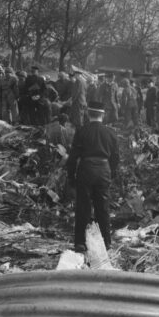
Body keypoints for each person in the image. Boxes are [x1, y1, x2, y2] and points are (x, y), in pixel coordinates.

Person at [66, 100, 120, 252]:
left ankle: (80, 243)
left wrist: (71, 177)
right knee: (103, 207)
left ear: (88, 114)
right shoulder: (110, 132)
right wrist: (111, 174)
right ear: (103, 115)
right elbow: (116, 158)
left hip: (86, 170)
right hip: (104, 170)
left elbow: (73, 157)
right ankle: (106, 242)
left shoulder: (82, 131)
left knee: (83, 207)